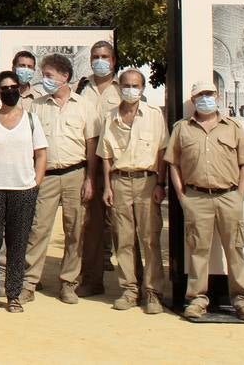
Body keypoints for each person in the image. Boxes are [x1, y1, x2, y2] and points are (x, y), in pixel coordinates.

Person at [166, 81, 244, 323]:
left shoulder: (232, 127)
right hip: (196, 197)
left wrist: (239, 196)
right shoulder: (183, 129)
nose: (205, 98)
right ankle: (197, 299)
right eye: (200, 95)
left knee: (235, 250)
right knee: (198, 251)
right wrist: (182, 196)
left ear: (216, 95)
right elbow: (173, 163)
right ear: (193, 99)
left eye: (209, 94)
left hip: (229, 196)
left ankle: (242, 301)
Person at [21, 53, 94, 305]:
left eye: (50, 76)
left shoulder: (84, 105)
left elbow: (91, 144)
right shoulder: (36, 106)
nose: (46, 80)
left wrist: (90, 179)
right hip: (46, 176)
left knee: (75, 231)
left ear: (65, 77)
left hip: (76, 173)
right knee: (38, 229)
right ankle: (29, 283)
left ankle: (68, 284)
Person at [0, 70, 48, 313]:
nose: (10, 91)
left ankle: (13, 294)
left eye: (13, 86)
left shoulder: (31, 120)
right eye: (4, 88)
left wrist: (35, 183)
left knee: (17, 244)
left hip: (22, 190)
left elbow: (41, 154)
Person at [100, 67, 167, 314]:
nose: (130, 89)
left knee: (149, 239)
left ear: (142, 88)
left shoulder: (153, 115)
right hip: (119, 181)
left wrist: (161, 183)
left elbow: (162, 150)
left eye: (135, 85)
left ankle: (152, 292)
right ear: (119, 87)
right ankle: (129, 289)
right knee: (123, 239)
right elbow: (105, 154)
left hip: (147, 181)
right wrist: (107, 186)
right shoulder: (110, 117)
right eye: (126, 85)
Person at [77, 40, 121, 296]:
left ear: (113, 61)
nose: (100, 60)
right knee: (91, 225)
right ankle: (91, 280)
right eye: (95, 56)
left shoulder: (122, 88)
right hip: (90, 165)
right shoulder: (83, 89)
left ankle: (134, 285)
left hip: (118, 166)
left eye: (105, 56)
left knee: (124, 226)